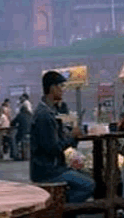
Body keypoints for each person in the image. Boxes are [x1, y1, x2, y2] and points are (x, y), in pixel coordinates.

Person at [30, 71, 94, 203]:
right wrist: (72, 137)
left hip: (53, 167)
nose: (63, 90)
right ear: (52, 88)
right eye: (61, 86)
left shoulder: (50, 111)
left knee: (87, 175)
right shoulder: (44, 115)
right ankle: (60, 208)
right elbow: (53, 148)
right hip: (48, 172)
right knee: (89, 184)